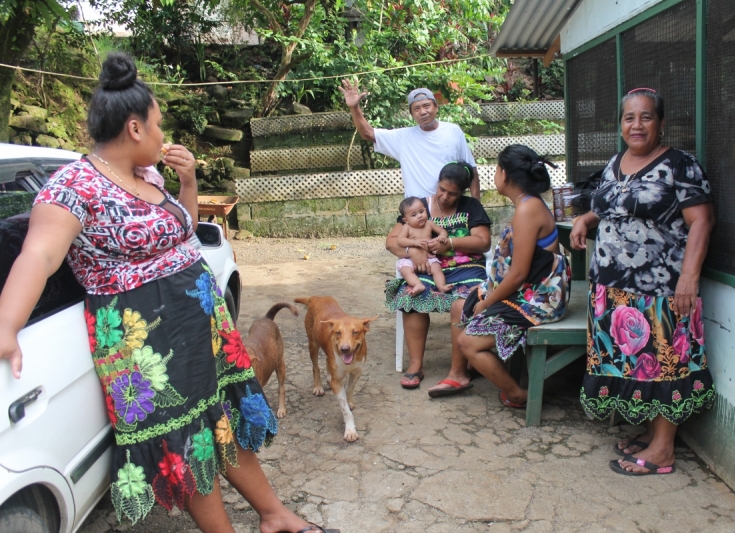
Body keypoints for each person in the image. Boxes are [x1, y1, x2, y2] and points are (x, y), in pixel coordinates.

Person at [0, 54, 336, 533]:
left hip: (199, 323)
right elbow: (38, 256)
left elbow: (184, 235)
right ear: (135, 128)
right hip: (145, 339)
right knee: (188, 438)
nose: (163, 135)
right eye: (159, 126)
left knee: (217, 418)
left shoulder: (147, 178)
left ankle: (274, 514)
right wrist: (8, 325)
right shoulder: (72, 187)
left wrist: (189, 182)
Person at [570, 88, 716, 476]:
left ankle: (664, 450)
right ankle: (653, 435)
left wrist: (689, 276)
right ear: (620, 125)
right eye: (629, 118)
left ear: (661, 123)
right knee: (636, 363)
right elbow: (610, 204)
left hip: (660, 289)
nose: (636, 125)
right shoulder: (616, 162)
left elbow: (701, 220)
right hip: (611, 288)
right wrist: (587, 219)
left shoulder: (679, 164)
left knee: (663, 363)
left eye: (646, 117)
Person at [434, 145, 570, 406]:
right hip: (526, 290)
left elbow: (518, 274)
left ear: (505, 174)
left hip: (537, 299)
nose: (494, 175)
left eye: (496, 169)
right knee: (459, 306)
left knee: (468, 341)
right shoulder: (526, 203)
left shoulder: (527, 210)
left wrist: (487, 302)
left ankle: (518, 394)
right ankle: (458, 374)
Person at [385, 162, 491, 389]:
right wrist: (411, 251)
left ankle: (460, 368)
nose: (444, 197)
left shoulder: (471, 206)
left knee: (466, 301)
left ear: (461, 192)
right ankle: (415, 365)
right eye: (441, 189)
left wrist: (450, 243)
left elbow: (483, 242)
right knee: (410, 294)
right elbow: (391, 241)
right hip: (427, 270)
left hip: (467, 269)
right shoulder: (418, 206)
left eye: (452, 193)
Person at [339, 79, 480, 199]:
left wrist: (476, 207)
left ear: (436, 107)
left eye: (427, 106)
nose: (423, 112)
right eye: (417, 109)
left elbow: (471, 170)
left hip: (450, 208)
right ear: (412, 115)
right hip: (418, 212)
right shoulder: (403, 137)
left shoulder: (453, 131)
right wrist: (354, 107)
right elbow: (368, 133)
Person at [395, 196, 452, 294]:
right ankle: (418, 284)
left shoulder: (429, 224)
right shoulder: (407, 227)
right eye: (414, 215)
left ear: (426, 210)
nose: (419, 216)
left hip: (429, 257)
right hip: (410, 259)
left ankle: (441, 286)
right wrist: (414, 243)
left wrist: (442, 236)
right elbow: (400, 240)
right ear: (406, 220)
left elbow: (442, 230)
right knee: (405, 270)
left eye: (421, 212)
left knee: (437, 268)